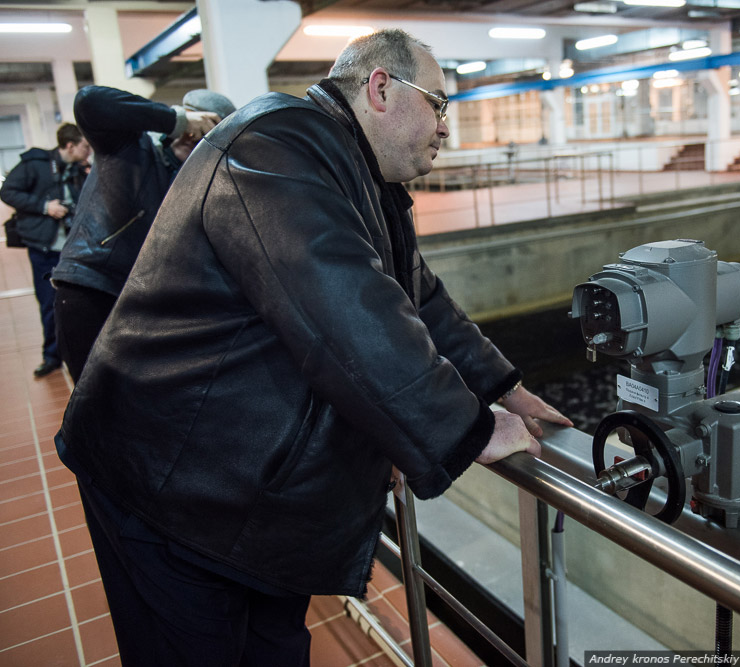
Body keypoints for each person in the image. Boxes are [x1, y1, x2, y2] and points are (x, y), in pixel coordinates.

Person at [56, 29, 572, 665]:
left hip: (248, 491)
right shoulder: (277, 142)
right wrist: (468, 426)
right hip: (169, 484)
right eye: (439, 104)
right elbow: (347, 306)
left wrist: (502, 387)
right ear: (381, 88)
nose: (446, 128)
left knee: (273, 647)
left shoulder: (362, 175)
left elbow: (418, 295)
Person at [51, 85, 236, 382]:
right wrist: (177, 120)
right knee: (90, 414)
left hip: (140, 308)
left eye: (208, 133)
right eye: (197, 125)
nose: (195, 137)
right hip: (92, 291)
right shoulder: (129, 147)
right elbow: (90, 101)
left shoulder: (194, 187)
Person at [0, 123, 90, 377]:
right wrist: (44, 206)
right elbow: (8, 191)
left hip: (74, 248)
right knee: (48, 303)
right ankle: (51, 355)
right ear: (70, 145)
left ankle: (81, 354)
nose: (88, 151)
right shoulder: (35, 164)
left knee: (79, 303)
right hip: (45, 248)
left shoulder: (80, 171)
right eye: (85, 146)